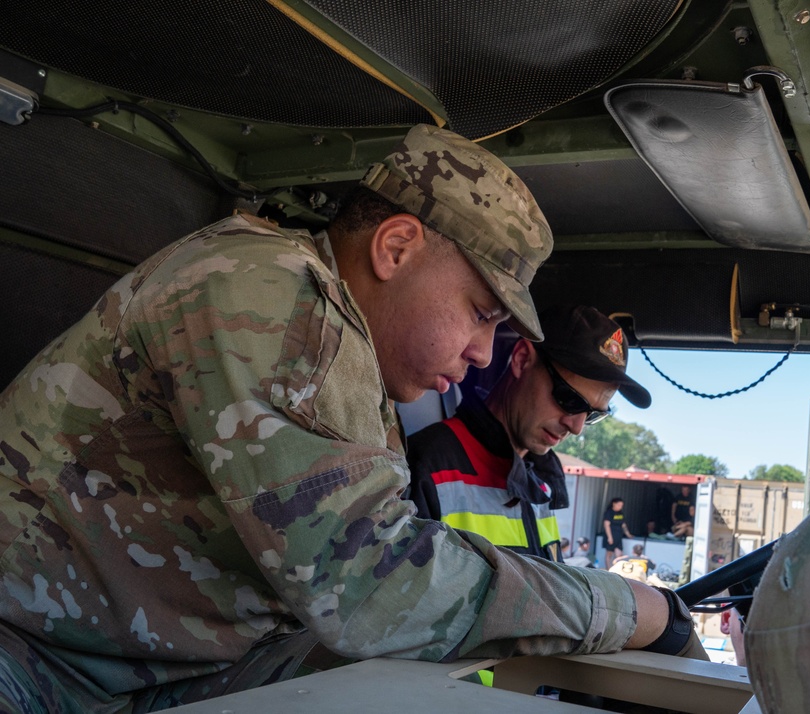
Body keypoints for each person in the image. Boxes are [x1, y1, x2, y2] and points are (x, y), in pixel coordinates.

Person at [0, 124, 704, 712]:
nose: (481, 353)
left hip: (154, 666)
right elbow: (376, 585)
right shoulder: (273, 295)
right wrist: (626, 609)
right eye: (481, 315)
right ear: (395, 248)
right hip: (33, 658)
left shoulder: (349, 360)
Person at [406, 303, 652, 561]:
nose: (577, 428)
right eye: (569, 400)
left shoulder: (542, 482)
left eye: (593, 414)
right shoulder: (427, 467)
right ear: (522, 359)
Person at [603, 497, 634, 568]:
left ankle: (617, 570)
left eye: (621, 505)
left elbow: (623, 525)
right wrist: (610, 537)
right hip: (611, 536)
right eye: (619, 505)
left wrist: (628, 534)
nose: (620, 507)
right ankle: (608, 570)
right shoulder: (609, 513)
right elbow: (606, 525)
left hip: (618, 537)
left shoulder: (620, 513)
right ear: (614, 504)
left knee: (619, 555)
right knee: (609, 554)